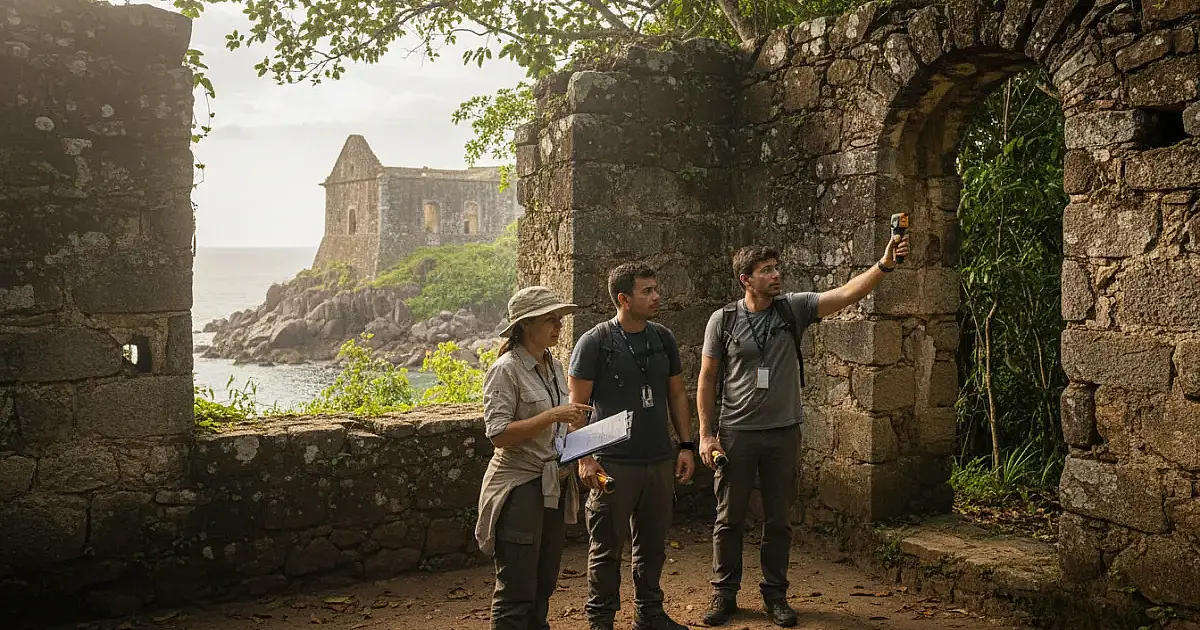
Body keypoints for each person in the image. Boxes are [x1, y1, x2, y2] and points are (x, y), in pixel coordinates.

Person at [697, 236, 909, 628]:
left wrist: (884, 266)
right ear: (746, 279)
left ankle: (775, 596)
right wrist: (706, 435)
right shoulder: (723, 320)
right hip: (736, 434)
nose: (776, 275)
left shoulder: (792, 308)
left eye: (777, 268)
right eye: (766, 271)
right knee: (729, 518)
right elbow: (707, 377)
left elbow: (845, 293)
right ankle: (724, 594)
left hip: (782, 434)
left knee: (778, 520)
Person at [567, 263, 695, 630]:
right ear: (624, 299)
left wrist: (686, 445)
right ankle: (601, 620)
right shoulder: (595, 342)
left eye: (656, 288)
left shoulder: (663, 338)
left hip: (657, 460)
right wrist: (585, 459)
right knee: (606, 550)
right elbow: (577, 409)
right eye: (647, 291)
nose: (657, 297)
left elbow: (676, 394)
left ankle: (649, 614)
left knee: (653, 547)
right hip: (613, 463)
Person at [475, 285, 593, 630]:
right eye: (551, 319)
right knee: (517, 587)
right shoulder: (506, 369)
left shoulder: (553, 365)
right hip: (520, 486)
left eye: (559, 319)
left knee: (544, 581)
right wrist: (553, 416)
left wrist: (582, 438)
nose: (558, 326)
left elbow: (558, 427)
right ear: (526, 325)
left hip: (551, 483)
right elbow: (498, 434)